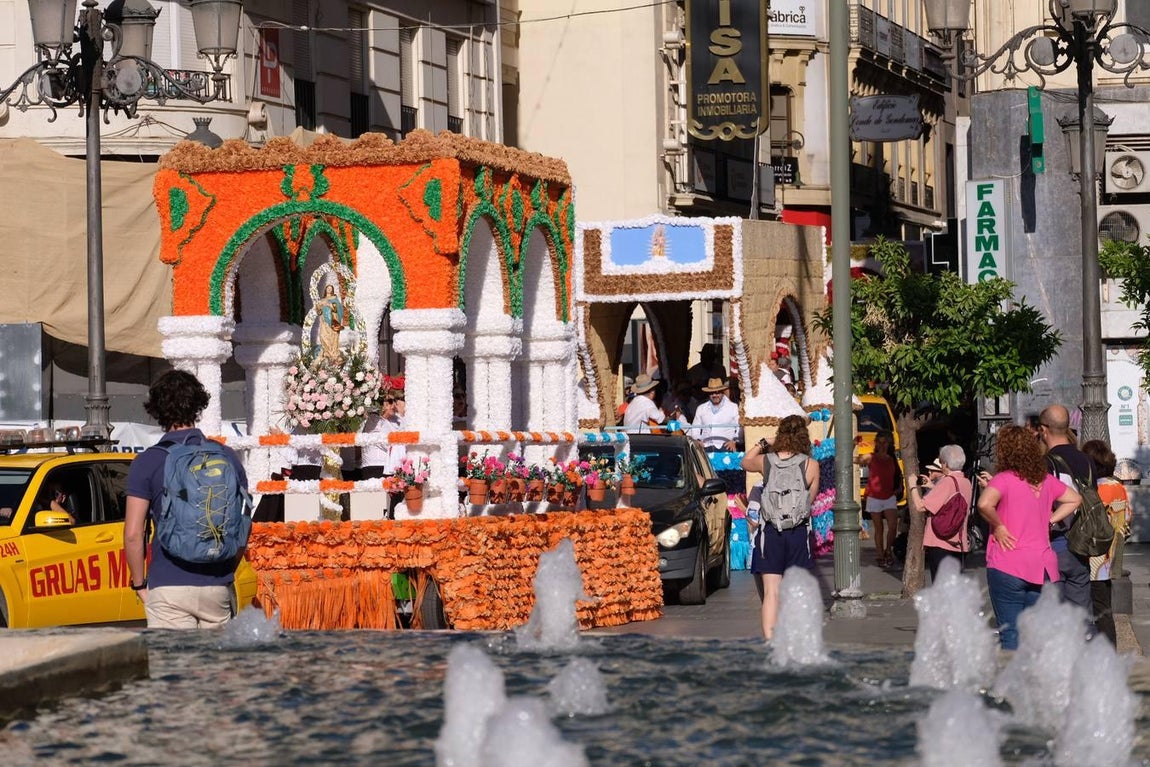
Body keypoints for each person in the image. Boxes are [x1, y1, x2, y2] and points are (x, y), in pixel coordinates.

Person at [125, 370, 248, 629]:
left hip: (169, 585)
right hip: (217, 584)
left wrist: (139, 584)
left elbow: (134, 534)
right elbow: (243, 525)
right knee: (214, 668)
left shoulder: (148, 462)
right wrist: (225, 573)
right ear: (199, 406)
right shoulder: (226, 457)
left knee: (174, 668)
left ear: (156, 410)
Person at [977, 425, 1080, 650]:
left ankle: (1014, 682)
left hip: (1007, 564)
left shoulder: (1003, 479)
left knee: (1011, 632)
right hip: (1042, 565)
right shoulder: (1045, 480)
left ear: (1004, 451)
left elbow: (984, 504)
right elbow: (1075, 499)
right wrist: (1050, 519)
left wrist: (999, 526)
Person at [740, 415, 819, 641]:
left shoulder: (766, 461)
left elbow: (744, 462)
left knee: (771, 592)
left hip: (771, 533)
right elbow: (809, 500)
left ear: (781, 434)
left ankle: (770, 640)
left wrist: (764, 442)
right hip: (798, 533)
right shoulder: (811, 465)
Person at [1038, 404, 1096, 629]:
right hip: (1081, 546)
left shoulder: (1045, 464)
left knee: (1053, 619)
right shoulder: (1086, 460)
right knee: (1082, 619)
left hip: (1054, 544)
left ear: (1044, 430)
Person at [1080, 439, 1131, 646]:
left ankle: (1106, 653)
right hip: (1111, 556)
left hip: (1094, 558)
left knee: (1098, 609)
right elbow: (1127, 518)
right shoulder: (1118, 487)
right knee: (1104, 605)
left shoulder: (1092, 490)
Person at [909, 446, 971, 581]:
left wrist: (913, 486)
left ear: (946, 464)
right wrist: (932, 486)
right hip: (959, 543)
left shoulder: (946, 482)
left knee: (941, 588)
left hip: (941, 542)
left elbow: (920, 506)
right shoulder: (966, 482)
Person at [858, 431, 900, 568]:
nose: (882, 445)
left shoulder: (892, 458)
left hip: (889, 496)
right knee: (879, 528)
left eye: (885, 442)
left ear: (889, 443)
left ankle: (888, 550)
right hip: (874, 497)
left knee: (893, 525)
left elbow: (898, 475)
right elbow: (856, 460)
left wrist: (899, 487)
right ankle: (880, 554)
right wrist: (853, 444)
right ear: (876, 443)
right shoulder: (871, 457)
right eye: (879, 442)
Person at [691, 377, 741, 451]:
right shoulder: (701, 408)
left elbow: (739, 427)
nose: (714, 395)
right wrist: (698, 440)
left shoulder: (733, 407)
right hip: (706, 447)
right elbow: (695, 428)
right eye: (712, 393)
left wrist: (734, 441)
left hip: (726, 447)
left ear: (722, 393)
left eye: (717, 392)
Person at [316, 284, 345, 366]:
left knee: (333, 338)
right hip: (324, 322)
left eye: (330, 288)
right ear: (325, 290)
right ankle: (326, 353)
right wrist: (319, 307)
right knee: (323, 336)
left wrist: (330, 305)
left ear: (332, 290)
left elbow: (338, 310)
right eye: (328, 288)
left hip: (332, 322)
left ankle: (333, 355)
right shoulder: (322, 300)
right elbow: (318, 311)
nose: (329, 290)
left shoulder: (334, 299)